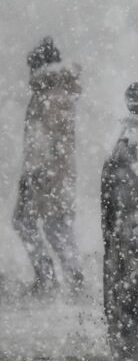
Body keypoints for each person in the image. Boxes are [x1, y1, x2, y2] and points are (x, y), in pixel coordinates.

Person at [12, 37, 84, 297]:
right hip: (57, 172)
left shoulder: (48, 95)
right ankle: (70, 277)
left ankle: (49, 276)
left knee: (27, 222)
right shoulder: (57, 91)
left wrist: (34, 173)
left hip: (44, 172)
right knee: (56, 224)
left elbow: (42, 139)